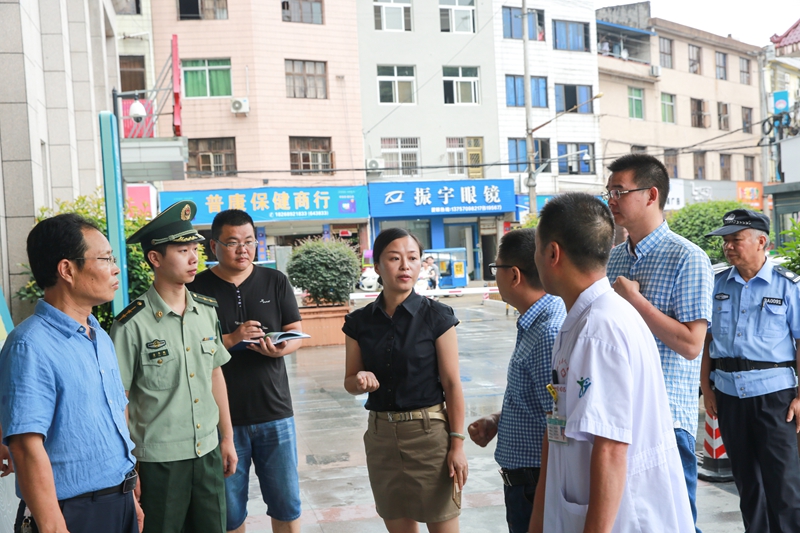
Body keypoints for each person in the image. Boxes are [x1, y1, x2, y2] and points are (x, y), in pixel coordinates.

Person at [529, 193, 693, 533]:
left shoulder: (598, 330)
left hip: (624, 519)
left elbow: (611, 449)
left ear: (552, 253)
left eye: (536, 248)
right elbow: (559, 423)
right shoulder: (588, 319)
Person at [0, 213, 143, 533]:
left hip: (118, 501)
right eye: (105, 258)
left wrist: (128, 489)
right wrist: (53, 527)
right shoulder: (29, 345)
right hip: (71, 513)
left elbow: (114, 416)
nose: (115, 268)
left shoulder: (99, 335)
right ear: (67, 269)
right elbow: (25, 447)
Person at [111, 201, 236, 533]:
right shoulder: (130, 325)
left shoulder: (207, 312)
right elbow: (119, 398)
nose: (194, 258)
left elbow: (214, 373)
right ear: (155, 258)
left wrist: (228, 437)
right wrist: (128, 465)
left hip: (208, 451)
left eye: (194, 249)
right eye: (183, 250)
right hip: (159, 463)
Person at [604, 154, 713, 532]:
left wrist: (635, 301)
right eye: (609, 192)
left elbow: (690, 344)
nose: (611, 200)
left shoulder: (688, 257)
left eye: (620, 191)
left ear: (652, 195)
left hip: (667, 421)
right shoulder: (613, 259)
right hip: (618, 419)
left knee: (675, 523)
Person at [343, 228, 468, 533]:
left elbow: (452, 384)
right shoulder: (359, 322)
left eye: (413, 258)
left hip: (429, 436)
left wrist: (457, 443)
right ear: (376, 266)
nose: (405, 266)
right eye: (394, 258)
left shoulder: (437, 316)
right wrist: (358, 380)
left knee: (443, 524)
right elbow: (348, 379)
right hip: (381, 438)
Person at [187, 209, 303, 533]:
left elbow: (295, 331)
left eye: (249, 241)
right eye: (233, 242)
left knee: (287, 504)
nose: (243, 249)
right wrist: (231, 338)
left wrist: (281, 347)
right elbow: (190, 347)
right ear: (214, 246)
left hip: (275, 411)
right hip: (222, 420)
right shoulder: (196, 288)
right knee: (229, 512)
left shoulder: (275, 280)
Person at [700, 209, 800, 533]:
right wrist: (707, 386)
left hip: (776, 399)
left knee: (784, 488)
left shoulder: (788, 286)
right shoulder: (715, 284)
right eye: (725, 241)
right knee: (748, 487)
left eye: (735, 240)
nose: (728, 246)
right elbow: (707, 340)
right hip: (728, 395)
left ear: (762, 242)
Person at [467, 228, 566, 533]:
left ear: (513, 275)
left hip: (537, 484)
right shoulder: (534, 323)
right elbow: (539, 401)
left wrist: (541, 509)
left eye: (496, 268)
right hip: (526, 482)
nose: (494, 276)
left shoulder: (548, 332)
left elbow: (559, 424)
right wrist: (499, 419)